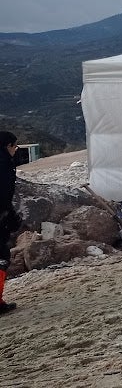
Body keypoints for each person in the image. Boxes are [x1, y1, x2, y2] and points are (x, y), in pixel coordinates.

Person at [1, 131, 24, 313]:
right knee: (1, 257)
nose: (16, 150)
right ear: (7, 146)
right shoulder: (3, 165)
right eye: (14, 146)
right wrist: (9, 215)